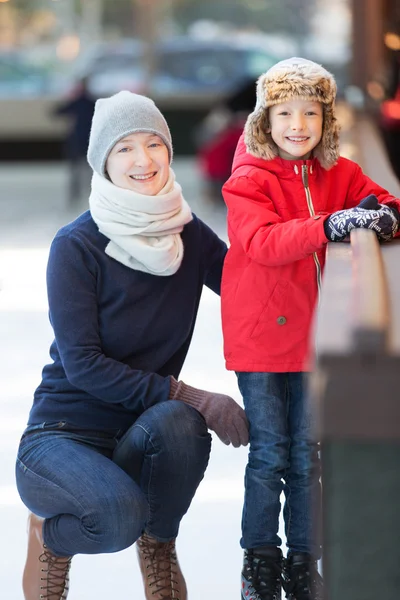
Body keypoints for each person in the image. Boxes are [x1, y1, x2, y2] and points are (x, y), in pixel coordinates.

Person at [15, 91, 249, 600]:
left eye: (153, 144)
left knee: (179, 424)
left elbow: (248, 288)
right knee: (118, 514)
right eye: (124, 149)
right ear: (103, 161)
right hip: (61, 437)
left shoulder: (187, 235)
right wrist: (200, 397)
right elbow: (84, 366)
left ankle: (159, 544)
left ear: (168, 150)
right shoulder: (76, 246)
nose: (142, 160)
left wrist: (322, 233)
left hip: (136, 432)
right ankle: (48, 536)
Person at [220, 57, 400, 600]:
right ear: (264, 120)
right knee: (271, 452)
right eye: (285, 112)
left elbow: (385, 200)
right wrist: (334, 224)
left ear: (325, 120)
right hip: (262, 338)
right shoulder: (247, 180)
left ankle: (303, 561)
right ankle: (259, 562)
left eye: (310, 113)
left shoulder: (338, 173)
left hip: (313, 335)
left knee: (308, 453)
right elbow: (264, 243)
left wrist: (383, 217)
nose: (297, 125)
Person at [53, 77, 96, 204]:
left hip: (77, 140)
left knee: (75, 170)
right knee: (89, 169)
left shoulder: (76, 102)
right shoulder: (92, 102)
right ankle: (90, 194)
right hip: (89, 139)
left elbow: (57, 112)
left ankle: (75, 195)